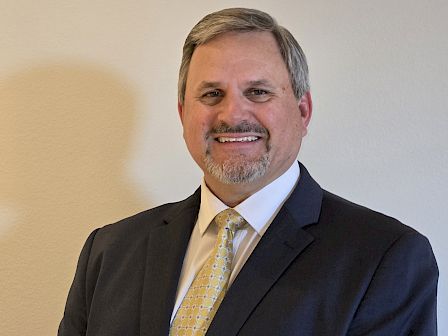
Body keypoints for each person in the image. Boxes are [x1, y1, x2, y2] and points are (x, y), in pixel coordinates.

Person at [58, 8, 438, 336]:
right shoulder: (109, 251)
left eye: (258, 92)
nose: (232, 115)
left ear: (303, 111)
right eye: (211, 95)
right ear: (183, 114)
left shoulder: (383, 258)